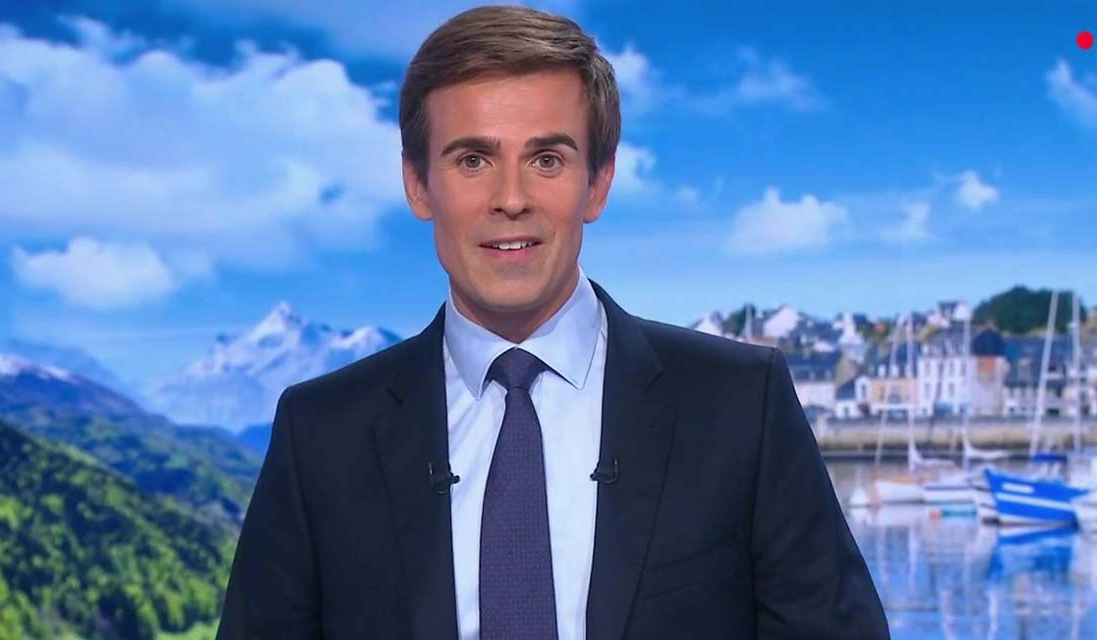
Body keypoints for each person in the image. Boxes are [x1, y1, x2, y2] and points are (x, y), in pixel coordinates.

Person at [216, 5, 889, 639]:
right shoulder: (320, 436)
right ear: (418, 184)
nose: (511, 199)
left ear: (597, 182)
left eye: (546, 160)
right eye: (473, 160)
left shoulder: (741, 404)